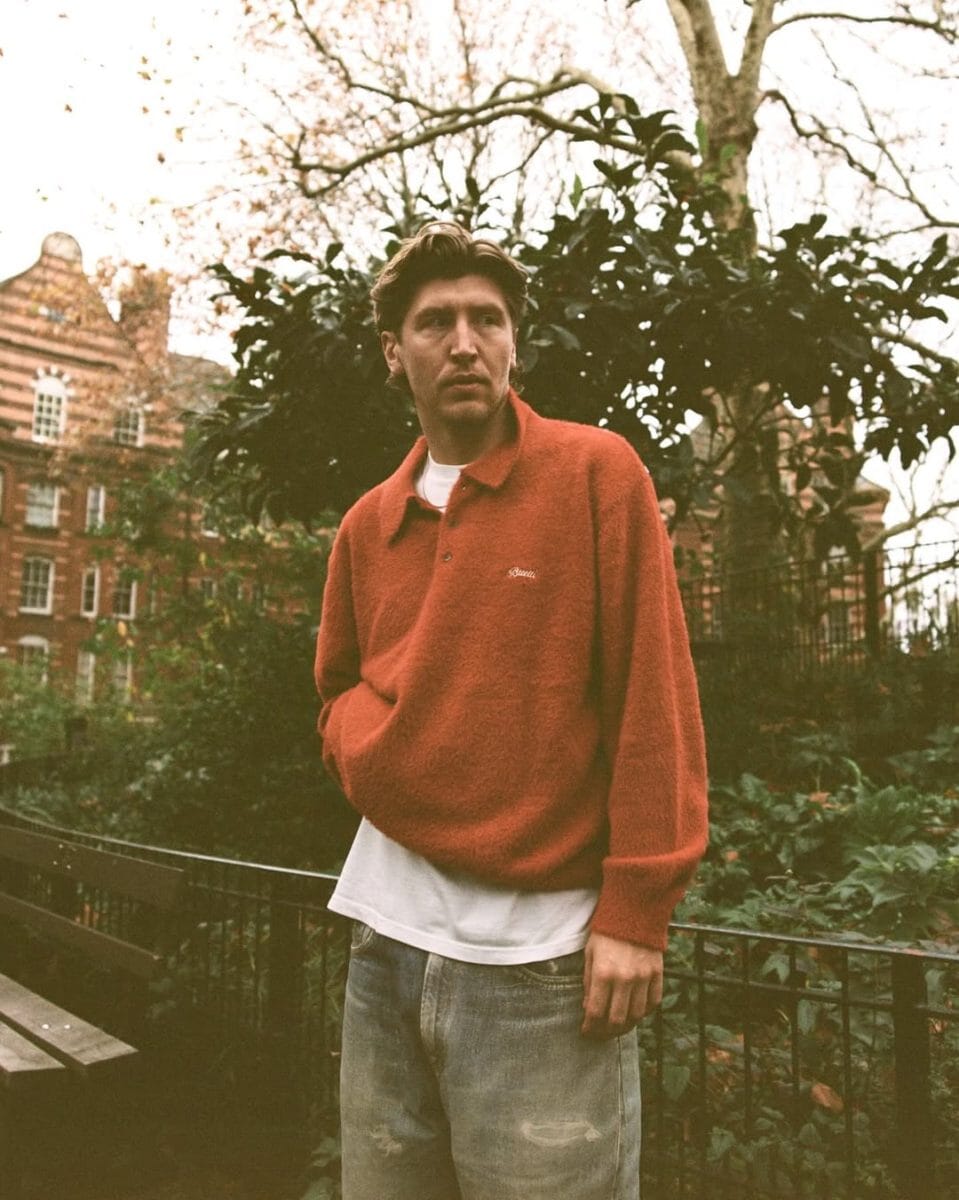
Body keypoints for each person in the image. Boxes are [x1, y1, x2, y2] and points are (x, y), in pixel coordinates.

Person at [314, 221, 708, 1200]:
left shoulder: (594, 475)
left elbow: (652, 703)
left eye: (485, 319)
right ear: (391, 352)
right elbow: (334, 692)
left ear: (514, 341)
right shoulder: (368, 523)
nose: (462, 342)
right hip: (382, 950)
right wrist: (378, 752)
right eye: (433, 321)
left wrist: (636, 911)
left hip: (542, 972)